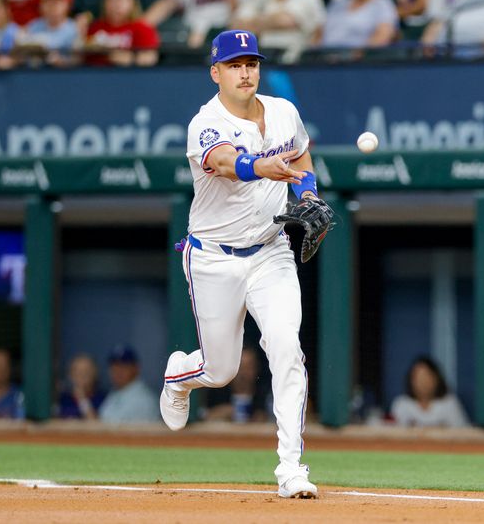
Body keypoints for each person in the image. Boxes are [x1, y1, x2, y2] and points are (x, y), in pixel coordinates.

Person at [159, 30, 322, 499]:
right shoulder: (204, 122)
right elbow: (225, 161)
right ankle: (178, 375)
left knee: (286, 348)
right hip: (214, 257)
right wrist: (259, 166)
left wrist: (307, 192)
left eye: (251, 62)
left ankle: (291, 469)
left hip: (271, 251)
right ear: (216, 73)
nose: (246, 71)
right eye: (234, 64)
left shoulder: (284, 111)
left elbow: (301, 152)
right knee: (221, 371)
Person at [230, 0, 326, 63]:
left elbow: (286, 21)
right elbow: (237, 25)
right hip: (265, 57)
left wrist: (255, 23)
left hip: (295, 60)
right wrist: (272, 21)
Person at [390, 356, 470, 428]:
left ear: (436, 379)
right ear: (411, 381)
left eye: (426, 377)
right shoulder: (402, 404)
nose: (423, 382)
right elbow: (392, 435)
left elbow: (464, 434)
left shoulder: (449, 402)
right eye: (418, 378)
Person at [84, 0, 159, 66]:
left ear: (133, 2)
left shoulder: (143, 29)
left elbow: (150, 57)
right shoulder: (94, 28)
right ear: (104, 2)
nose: (117, 4)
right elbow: (79, 58)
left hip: (129, 75)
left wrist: (131, 58)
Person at [142, 0, 234, 49]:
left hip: (227, 23)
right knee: (196, 35)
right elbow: (169, 2)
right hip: (194, 26)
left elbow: (241, 8)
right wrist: (140, 27)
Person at [204, 347, 270, 422]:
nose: (243, 373)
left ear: (257, 368)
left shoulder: (266, 396)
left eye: (248, 367)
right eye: (240, 367)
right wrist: (218, 414)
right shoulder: (216, 393)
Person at [99, 344, 159, 423]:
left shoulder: (145, 400)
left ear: (136, 368)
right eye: (114, 366)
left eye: (123, 366)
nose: (117, 371)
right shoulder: (114, 394)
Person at [316, 0, 399, 49]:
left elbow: (382, 36)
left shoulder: (382, 4)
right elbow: (319, 34)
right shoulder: (337, 3)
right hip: (323, 59)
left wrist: (356, 55)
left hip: (357, 65)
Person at [18, 0, 79, 66]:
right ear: (42, 6)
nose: (52, 7)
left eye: (56, 3)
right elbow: (22, 53)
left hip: (63, 75)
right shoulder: (33, 27)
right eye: (48, 3)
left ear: (65, 5)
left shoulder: (74, 29)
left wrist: (62, 61)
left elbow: (77, 59)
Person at [56, 354, 106, 419]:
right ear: (70, 375)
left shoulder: (102, 398)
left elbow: (94, 423)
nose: (82, 375)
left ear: (94, 373)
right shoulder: (63, 399)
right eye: (77, 372)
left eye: (86, 371)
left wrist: (82, 400)